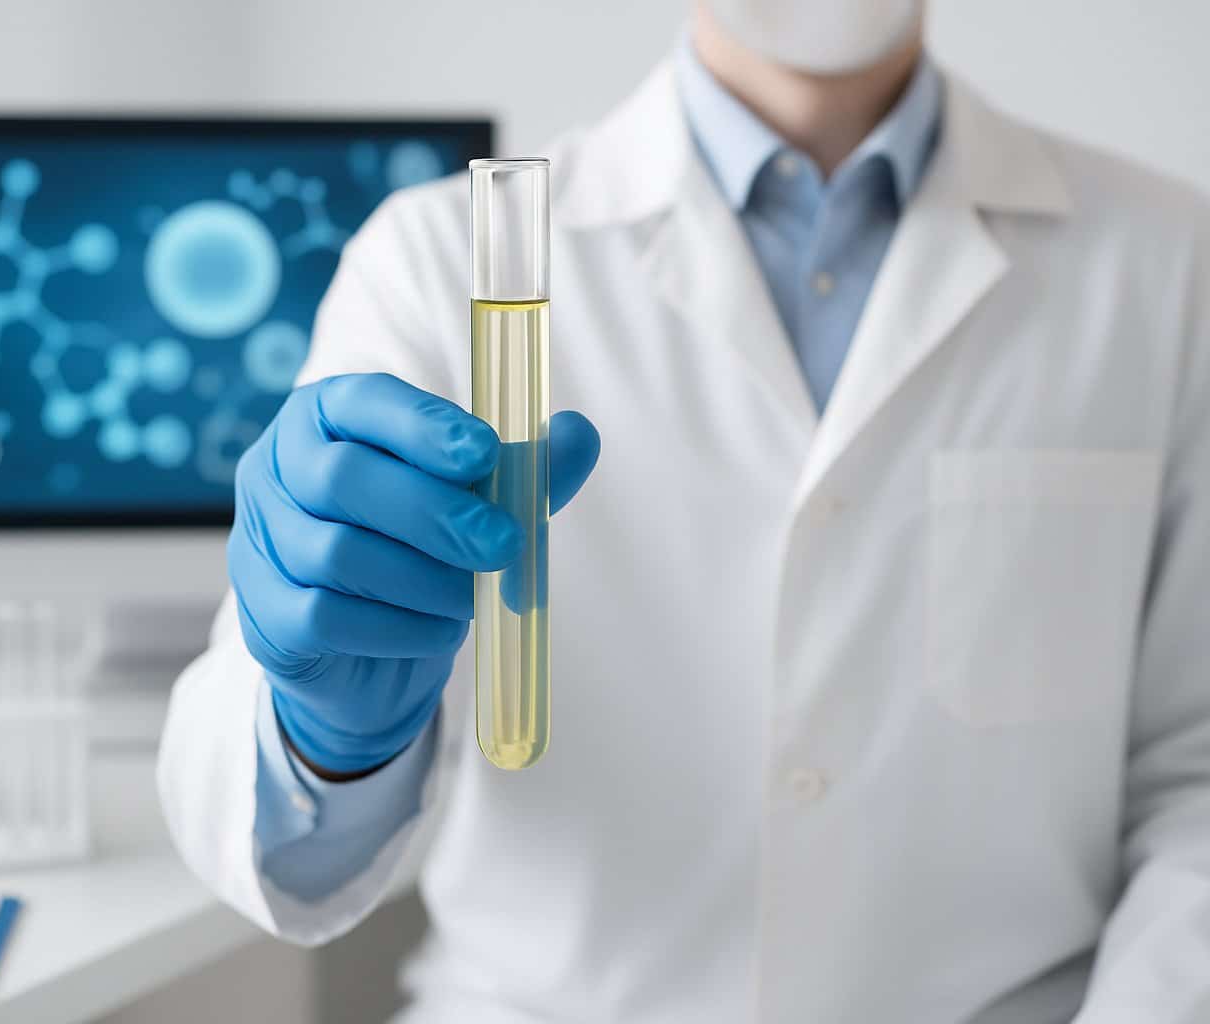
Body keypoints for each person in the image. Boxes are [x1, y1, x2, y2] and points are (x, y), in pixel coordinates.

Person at [159, 0, 1210, 1019]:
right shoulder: (437, 261)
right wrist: (332, 741)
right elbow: (260, 814)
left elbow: (1197, 775)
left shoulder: (1170, 264)